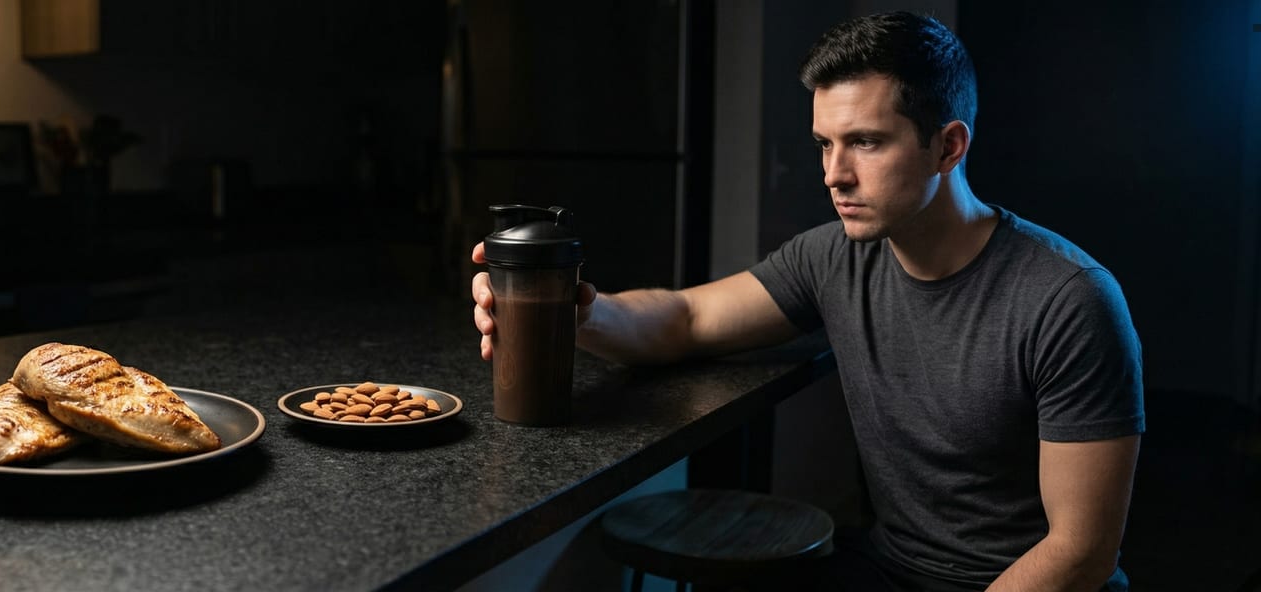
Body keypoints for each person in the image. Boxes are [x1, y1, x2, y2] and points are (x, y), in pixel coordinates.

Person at [469, 11, 1143, 592]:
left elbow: (1080, 553)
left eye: (866, 143)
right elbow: (688, 317)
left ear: (948, 146)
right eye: (825, 143)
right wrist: (570, 312)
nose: (833, 173)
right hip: (891, 569)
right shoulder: (835, 256)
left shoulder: (1069, 300)